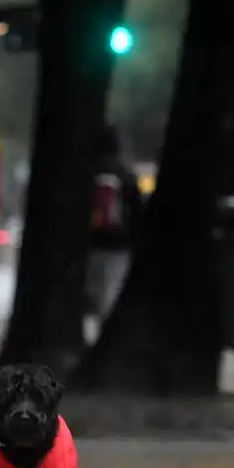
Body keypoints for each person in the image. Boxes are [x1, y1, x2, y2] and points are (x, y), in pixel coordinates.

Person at [85, 124, 142, 331]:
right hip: (118, 245)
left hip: (89, 243)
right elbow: (137, 213)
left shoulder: (86, 174)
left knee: (88, 290)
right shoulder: (126, 175)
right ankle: (103, 334)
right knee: (108, 294)